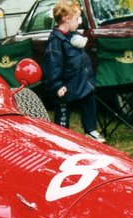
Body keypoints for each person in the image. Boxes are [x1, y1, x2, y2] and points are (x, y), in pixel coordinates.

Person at [43, 0, 105, 142]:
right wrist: (57, 85)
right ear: (67, 19)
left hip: (81, 81)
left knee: (89, 100)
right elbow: (52, 64)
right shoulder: (56, 41)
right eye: (77, 18)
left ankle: (90, 130)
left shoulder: (72, 35)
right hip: (66, 85)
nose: (79, 22)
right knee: (63, 109)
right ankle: (61, 136)